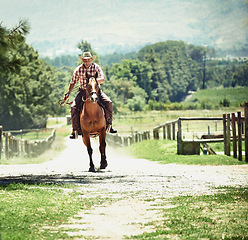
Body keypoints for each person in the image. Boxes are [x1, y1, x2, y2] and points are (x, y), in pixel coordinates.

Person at [64, 52, 117, 139]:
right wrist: (68, 93)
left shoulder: (96, 67)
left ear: (91, 60)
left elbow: (102, 79)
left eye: (88, 60)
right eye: (85, 60)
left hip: (95, 91)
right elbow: (73, 82)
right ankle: (75, 129)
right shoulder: (79, 69)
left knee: (108, 102)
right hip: (82, 92)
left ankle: (109, 124)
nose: (87, 62)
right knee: (73, 107)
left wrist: (93, 81)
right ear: (82, 60)